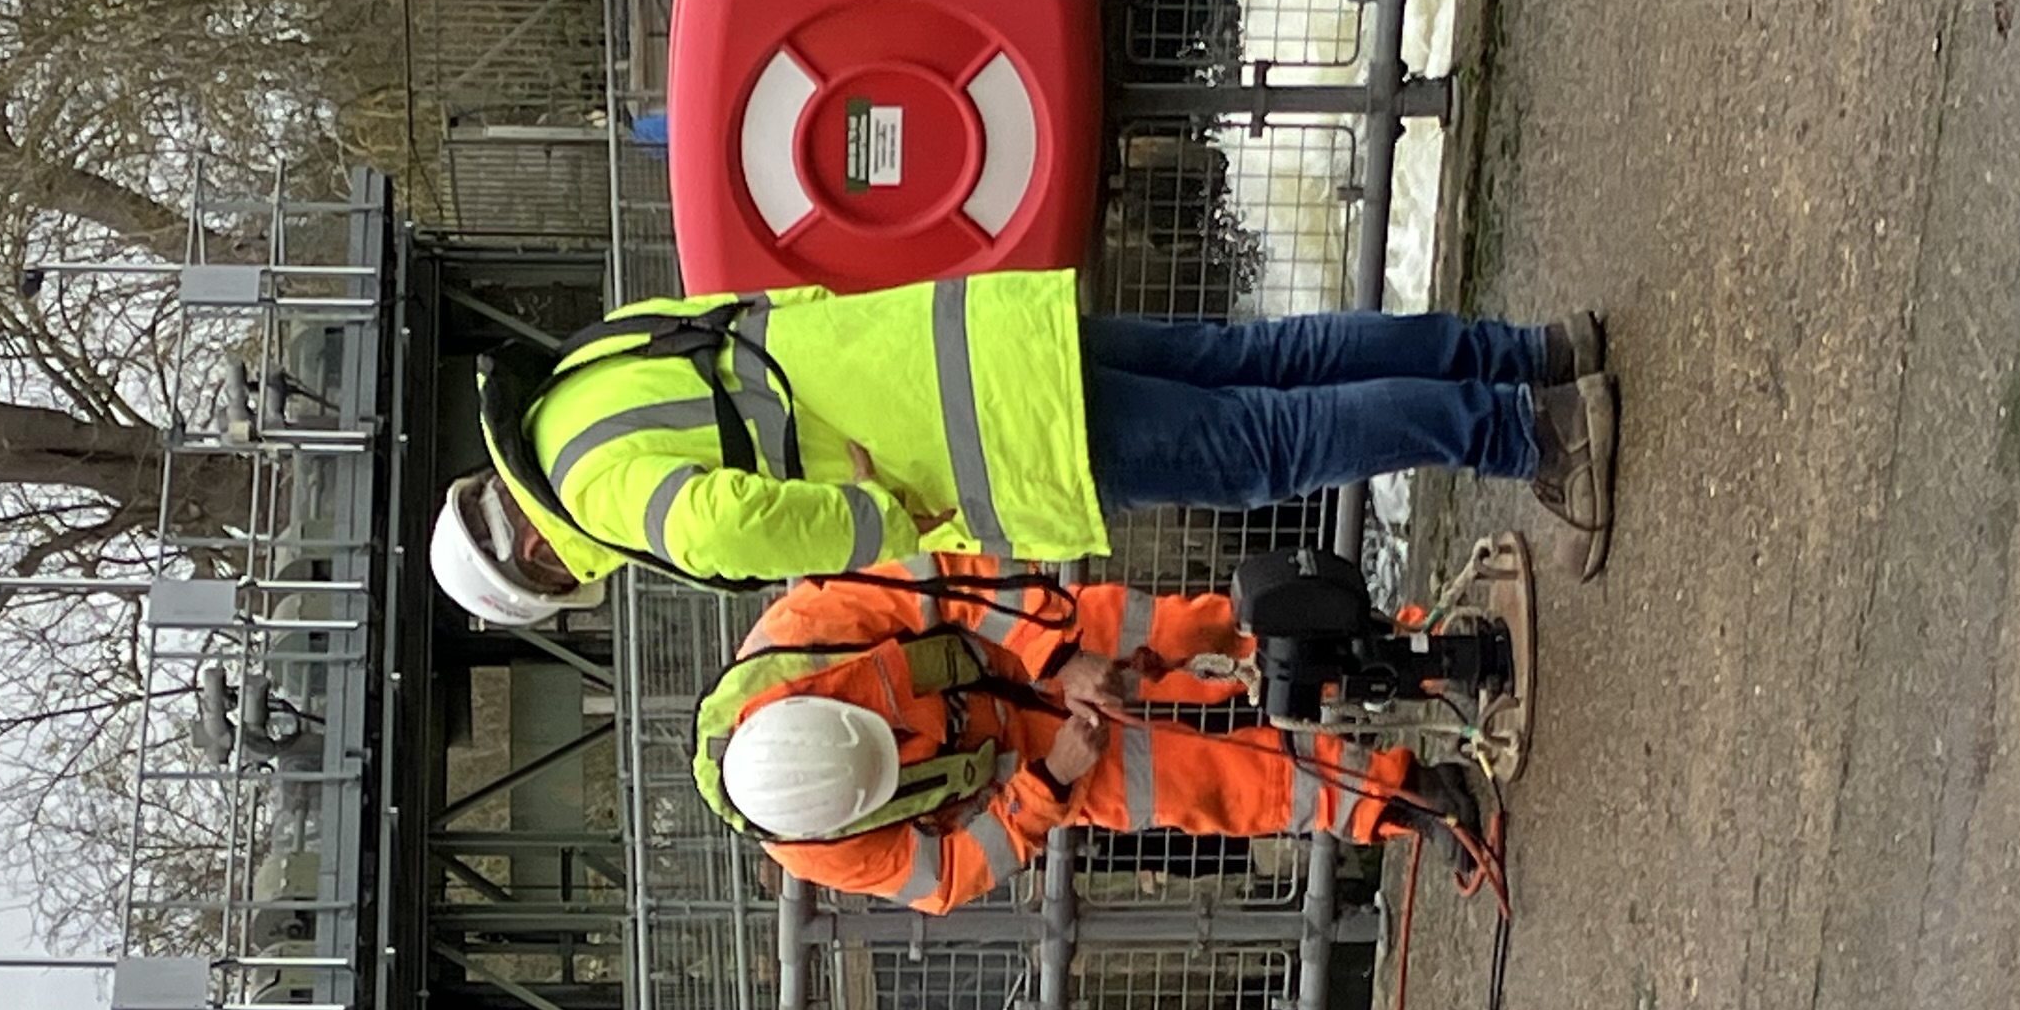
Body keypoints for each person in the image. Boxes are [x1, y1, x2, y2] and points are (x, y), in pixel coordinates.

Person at [424, 280, 1618, 627]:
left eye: (561, 587)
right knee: (1266, 358)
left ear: (536, 556)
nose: (582, 585)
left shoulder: (597, 497)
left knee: (1266, 447)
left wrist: (885, 530)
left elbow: (725, 527)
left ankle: (1533, 432)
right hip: (973, 338)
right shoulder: (581, 373)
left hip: (983, 444)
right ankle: (1532, 352)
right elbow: (757, 303)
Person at [695, 554, 1473, 911]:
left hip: (1018, 643)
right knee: (1214, 787)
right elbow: (949, 875)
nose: (900, 742)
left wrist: (1060, 658)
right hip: (1024, 773)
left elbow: (954, 582)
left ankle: (1421, 655)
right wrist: (1050, 786)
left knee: (1197, 639)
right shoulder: (820, 844)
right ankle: (1410, 799)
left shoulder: (802, 635)